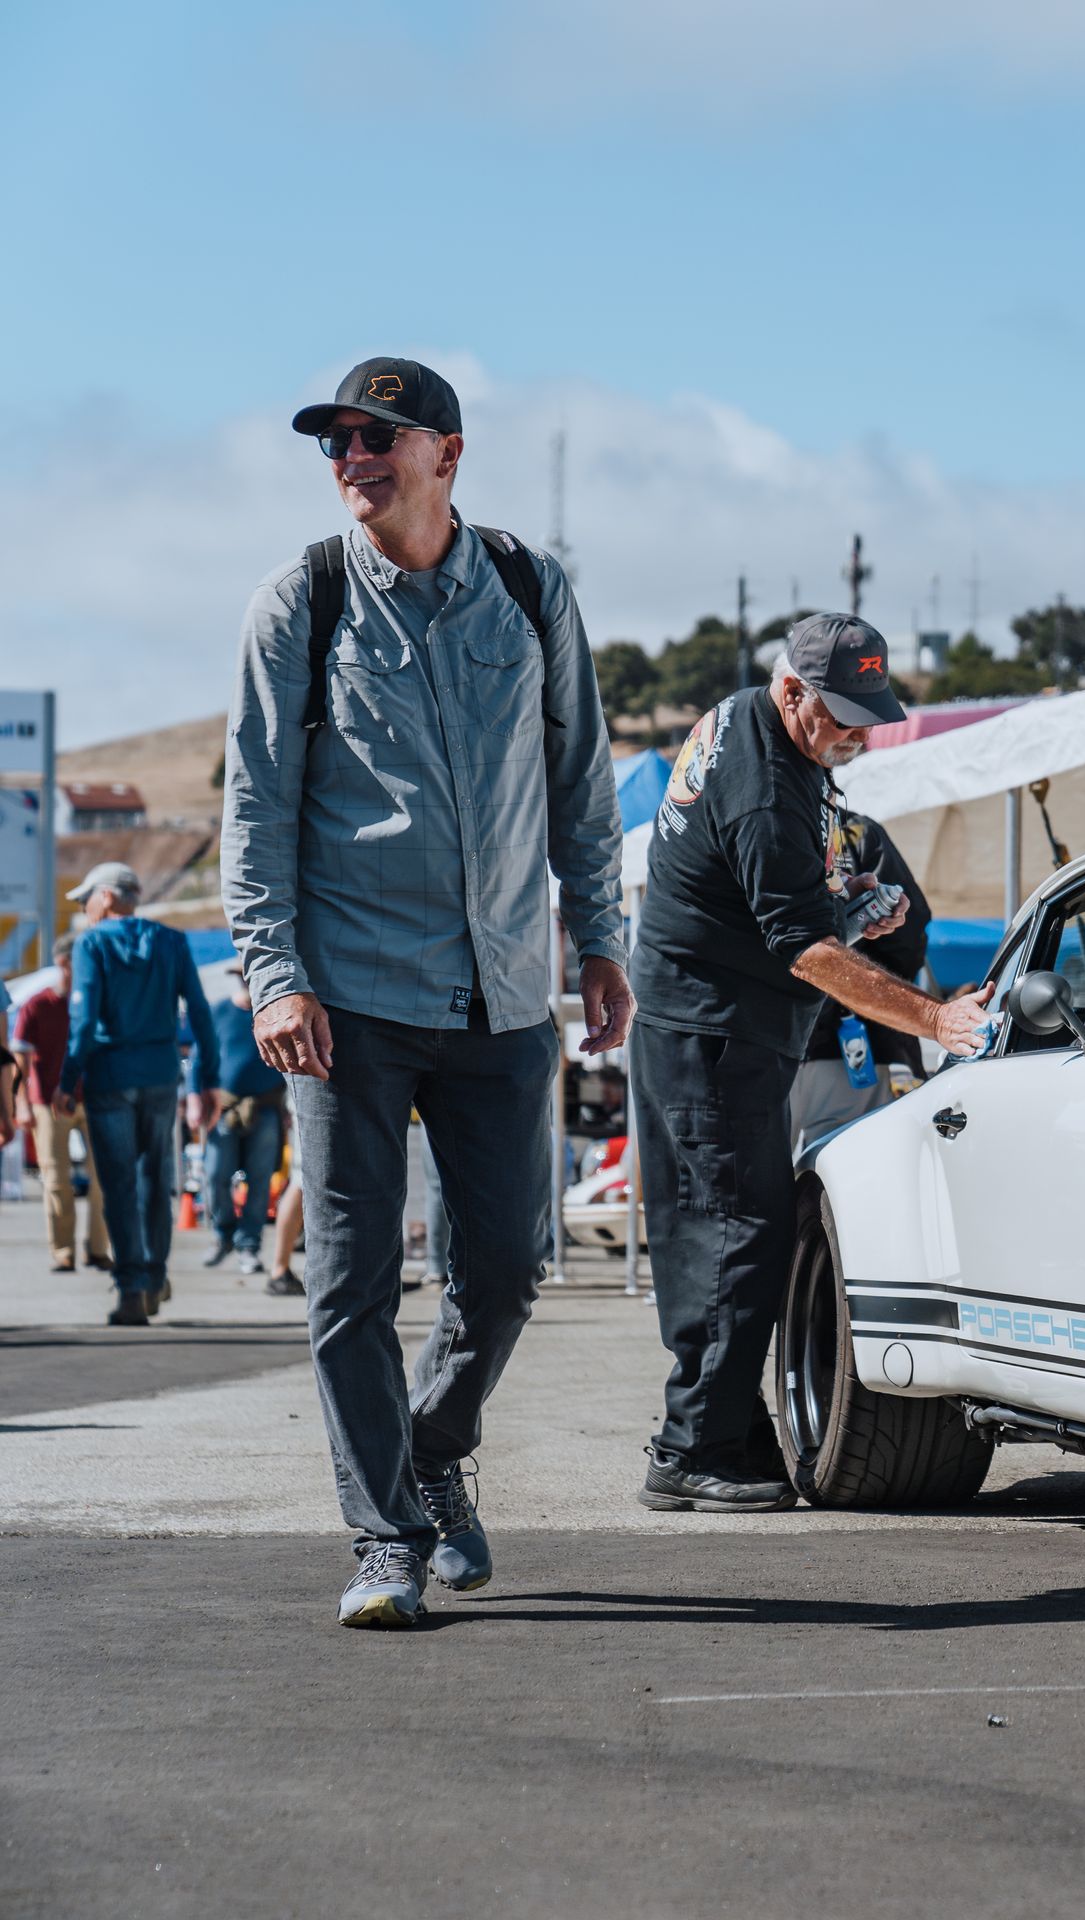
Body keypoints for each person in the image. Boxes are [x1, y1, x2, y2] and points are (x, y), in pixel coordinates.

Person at [224, 356, 631, 1630]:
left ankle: (435, 1448)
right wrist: (275, 977)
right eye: (337, 438)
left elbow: (581, 777)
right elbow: (256, 805)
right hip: (345, 1005)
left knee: (506, 1271)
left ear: (446, 453)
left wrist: (602, 939)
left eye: (377, 435)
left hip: (504, 993)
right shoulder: (303, 599)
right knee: (349, 1288)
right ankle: (387, 1537)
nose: (352, 454)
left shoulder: (528, 588)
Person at [630, 616, 986, 1513]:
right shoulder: (765, 782)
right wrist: (936, 1018)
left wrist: (849, 908)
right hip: (711, 1030)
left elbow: (775, 907)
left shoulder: (765, 736)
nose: (860, 735)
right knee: (735, 1234)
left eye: (872, 714)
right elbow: (803, 951)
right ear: (792, 691)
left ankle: (726, 1427)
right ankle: (691, 1447)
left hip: (711, 1022)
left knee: (731, 1228)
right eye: (845, 715)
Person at [61, 863, 218, 1324]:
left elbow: (85, 1021)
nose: (84, 909)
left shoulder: (92, 943)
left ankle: (131, 1289)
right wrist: (205, 1080)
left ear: (106, 897)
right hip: (160, 1075)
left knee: (120, 1186)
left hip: (111, 1075)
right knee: (156, 1180)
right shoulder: (171, 940)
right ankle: (153, 1276)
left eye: (85, 900)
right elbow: (201, 1013)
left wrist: (67, 1080)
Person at [787, 809, 934, 1154]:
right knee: (849, 1170)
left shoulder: (757, 818)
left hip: (771, 1036)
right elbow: (909, 935)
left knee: (757, 1181)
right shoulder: (854, 831)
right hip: (849, 1039)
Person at [15, 937, 110, 1273]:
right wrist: (22, 1103)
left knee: (104, 1178)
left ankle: (98, 1248)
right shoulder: (38, 1005)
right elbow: (20, 1059)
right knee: (56, 1179)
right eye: (67, 964)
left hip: (94, 1098)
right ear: (60, 964)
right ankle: (63, 1251)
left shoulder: (95, 1001)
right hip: (47, 1101)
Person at [189, 977, 287, 1276]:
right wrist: (194, 1100)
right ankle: (223, 1233)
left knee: (259, 1181)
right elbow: (198, 1058)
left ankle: (249, 1246)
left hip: (266, 1107)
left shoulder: (273, 1010)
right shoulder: (219, 1011)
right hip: (224, 1109)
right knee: (215, 1175)